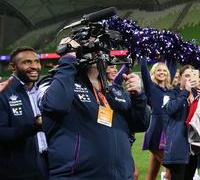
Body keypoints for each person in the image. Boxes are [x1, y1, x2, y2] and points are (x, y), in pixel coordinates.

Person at [38, 41, 150, 179]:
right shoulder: (54, 83)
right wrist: (68, 61)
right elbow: (54, 106)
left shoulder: (114, 90)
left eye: (100, 48)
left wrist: (138, 96)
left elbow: (141, 124)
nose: (97, 52)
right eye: (90, 46)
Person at [0, 46, 48, 179]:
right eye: (27, 62)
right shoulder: (3, 93)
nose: (34, 66)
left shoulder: (43, 92)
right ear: (13, 67)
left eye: (36, 61)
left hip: (47, 167)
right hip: (17, 172)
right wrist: (34, 127)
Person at [162, 65, 200, 180]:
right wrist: (186, 91)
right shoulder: (170, 94)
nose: (189, 78)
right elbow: (170, 109)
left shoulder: (196, 94)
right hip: (178, 145)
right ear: (180, 77)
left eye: (192, 75)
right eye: (186, 75)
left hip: (194, 146)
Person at [140, 58, 176, 180]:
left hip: (167, 131)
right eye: (158, 70)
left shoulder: (168, 90)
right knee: (173, 167)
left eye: (164, 70)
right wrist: (142, 53)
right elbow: (144, 70)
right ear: (154, 73)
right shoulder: (151, 87)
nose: (162, 72)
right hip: (156, 132)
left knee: (152, 174)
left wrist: (173, 51)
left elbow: (173, 64)